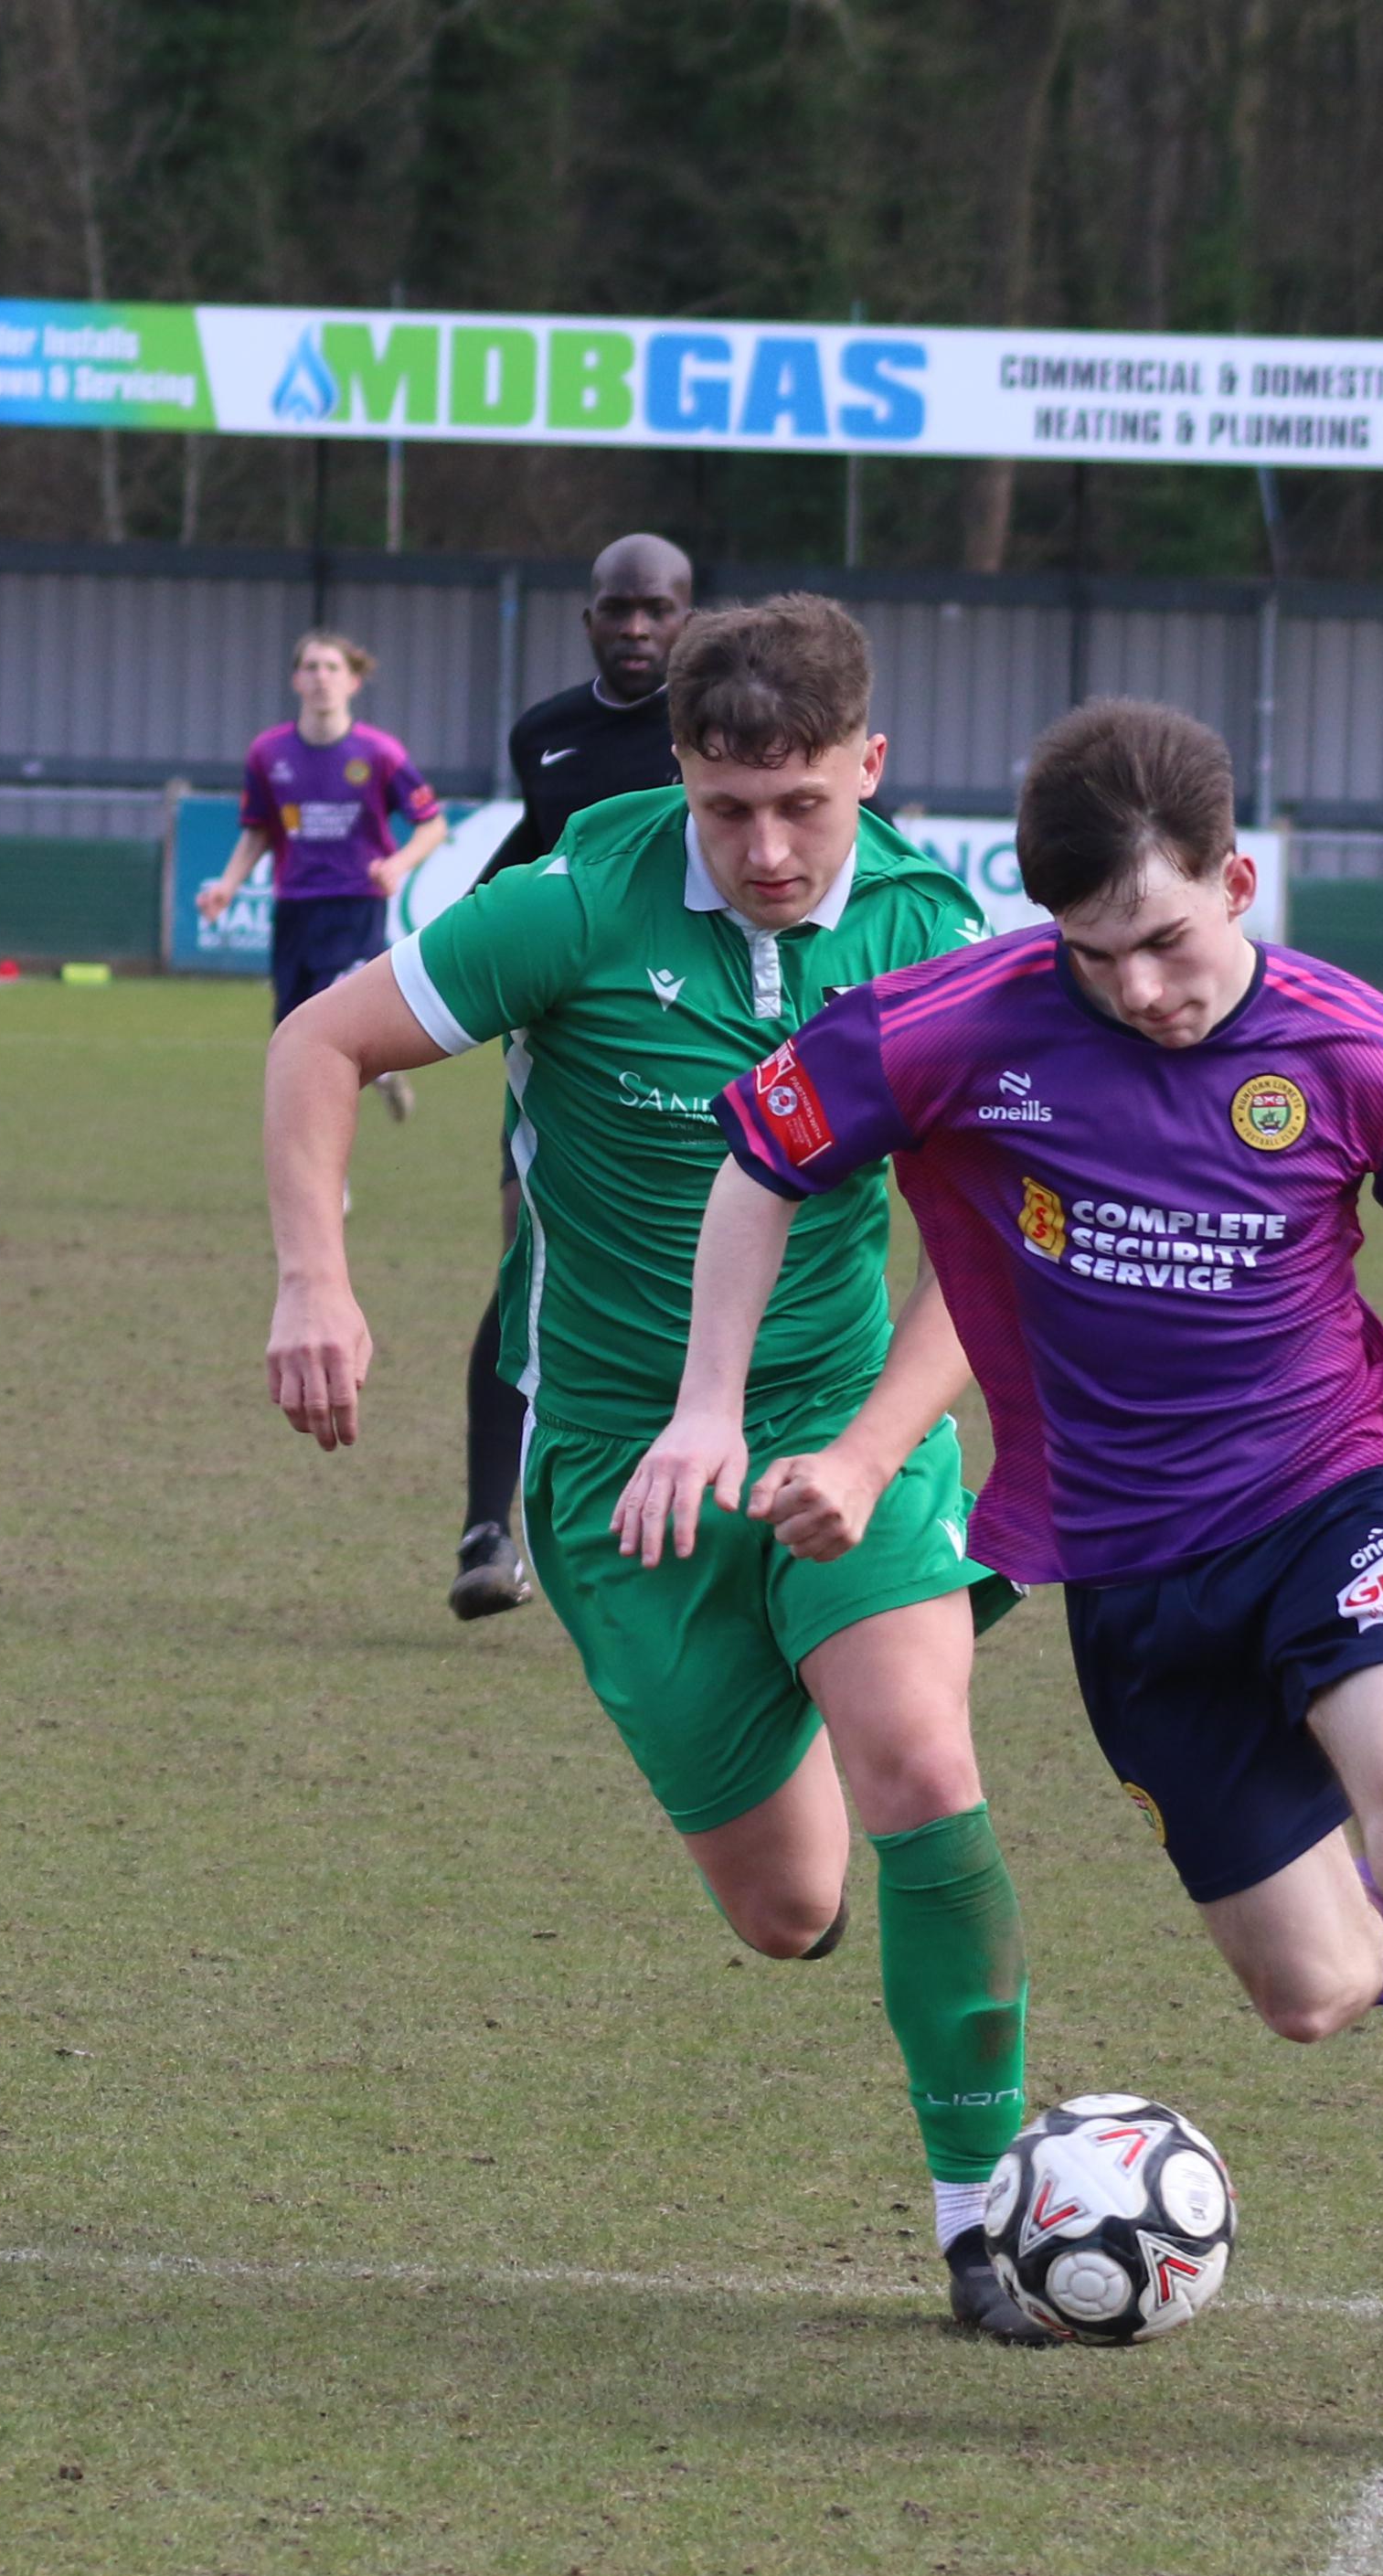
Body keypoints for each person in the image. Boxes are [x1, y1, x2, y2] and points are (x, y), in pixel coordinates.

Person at [612, 698, 1383, 2395]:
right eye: (1095, 955)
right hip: (1128, 1569)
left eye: (1166, 941)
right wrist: (710, 1406)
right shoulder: (960, 1023)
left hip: (1340, 1493)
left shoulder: (1359, 1049)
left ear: (1235, 882)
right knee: (1317, 1988)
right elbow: (759, 1160)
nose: (1140, 989)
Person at [260, 595, 1054, 2338]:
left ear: (870, 766)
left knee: (922, 1759)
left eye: (803, 806)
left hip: (843, 1428)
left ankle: (977, 2213)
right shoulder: (573, 901)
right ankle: (826, 1711)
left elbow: (990, 1250)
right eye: (726, 807)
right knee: (788, 1908)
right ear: (680, 772)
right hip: (619, 1470)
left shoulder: (934, 937)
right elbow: (317, 1041)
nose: (766, 850)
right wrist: (315, 1276)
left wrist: (871, 1445)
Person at [449, 534, 699, 1623]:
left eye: (657, 609)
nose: (636, 628)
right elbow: (532, 855)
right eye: (618, 609)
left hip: (699, 1044)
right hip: (562, 1045)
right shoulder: (543, 735)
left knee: (704, 1282)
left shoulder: (717, 730)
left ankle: (690, 1519)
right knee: (527, 1273)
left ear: (688, 618)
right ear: (588, 617)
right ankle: (486, 1529)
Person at [197, 631, 445, 1134]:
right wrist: (227, 884)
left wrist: (398, 865)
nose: (321, 678)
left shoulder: (379, 752)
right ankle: (374, 1081)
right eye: (311, 667)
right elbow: (259, 832)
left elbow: (432, 824)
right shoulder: (268, 753)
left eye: (333, 668)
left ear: (353, 681)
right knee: (293, 1034)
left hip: (356, 904)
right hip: (295, 907)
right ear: (296, 679)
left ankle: (346, 1106)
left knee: (333, 1020)